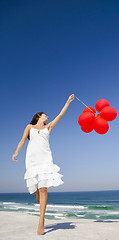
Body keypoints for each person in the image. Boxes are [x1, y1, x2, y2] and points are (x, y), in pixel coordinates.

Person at [12, 94, 75, 235]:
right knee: (35, 188)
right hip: (32, 160)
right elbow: (23, 140)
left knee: (43, 189)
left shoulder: (49, 127)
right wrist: (16, 152)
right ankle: (36, 194)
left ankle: (41, 221)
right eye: (45, 115)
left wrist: (68, 102)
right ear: (38, 116)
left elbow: (60, 114)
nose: (47, 117)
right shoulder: (29, 127)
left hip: (45, 159)